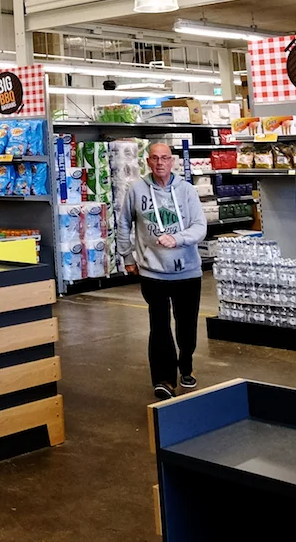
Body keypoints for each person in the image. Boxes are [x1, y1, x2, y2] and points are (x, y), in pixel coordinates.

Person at [119, 140, 207, 400]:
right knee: (159, 327)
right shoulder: (136, 189)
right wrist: (127, 256)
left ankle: (186, 363)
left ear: (172, 161)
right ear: (148, 162)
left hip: (187, 272)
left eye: (165, 158)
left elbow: (200, 227)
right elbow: (123, 223)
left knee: (186, 327)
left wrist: (177, 239)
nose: (160, 163)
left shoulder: (187, 190)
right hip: (152, 271)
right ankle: (164, 380)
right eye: (155, 158)